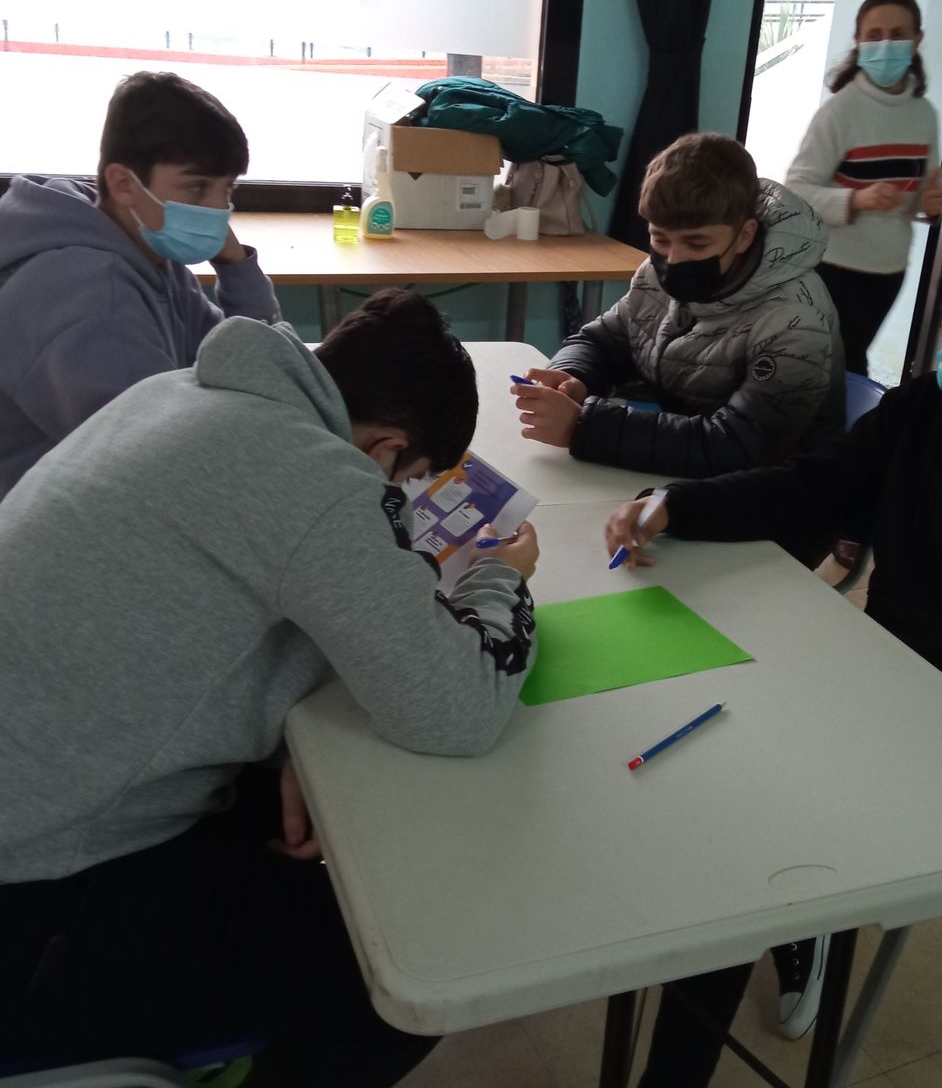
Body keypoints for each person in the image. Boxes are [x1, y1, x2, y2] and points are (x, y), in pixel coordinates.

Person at [603, 214, 942, 1085]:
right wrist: (677, 503)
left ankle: (765, 961)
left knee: (745, 844)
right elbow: (817, 484)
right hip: (882, 685)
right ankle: (776, 922)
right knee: (709, 764)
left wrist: (938, 718)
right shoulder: (928, 408)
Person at [0, 289, 538, 1087]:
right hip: (39, 895)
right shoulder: (315, 477)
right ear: (386, 449)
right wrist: (499, 575)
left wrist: (291, 740)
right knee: (417, 973)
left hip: (49, 794)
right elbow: (459, 709)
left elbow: (214, 613)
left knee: (336, 831)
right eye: (412, 482)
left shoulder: (173, 392)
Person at [0, 70, 281, 501]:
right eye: (197, 187)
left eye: (226, 190)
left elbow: (253, 366)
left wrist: (235, 266)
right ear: (124, 184)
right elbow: (163, 462)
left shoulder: (150, 257)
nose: (218, 210)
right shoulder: (93, 297)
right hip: (42, 525)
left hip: (102, 498)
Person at [511, 132, 844, 482]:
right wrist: (573, 377)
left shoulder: (796, 318)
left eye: (697, 244)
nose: (673, 259)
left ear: (744, 236)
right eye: (660, 238)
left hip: (777, 492)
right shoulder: (654, 274)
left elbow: (741, 447)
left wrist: (583, 427)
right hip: (687, 471)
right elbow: (605, 341)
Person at [785, 0, 942, 376]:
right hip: (831, 267)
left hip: (889, 270)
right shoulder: (840, 112)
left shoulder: (924, 113)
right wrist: (856, 200)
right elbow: (795, 190)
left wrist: (930, 203)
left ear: (917, 40)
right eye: (875, 35)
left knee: (849, 361)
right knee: (826, 366)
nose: (886, 45)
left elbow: (920, 193)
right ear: (858, 42)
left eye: (898, 34)